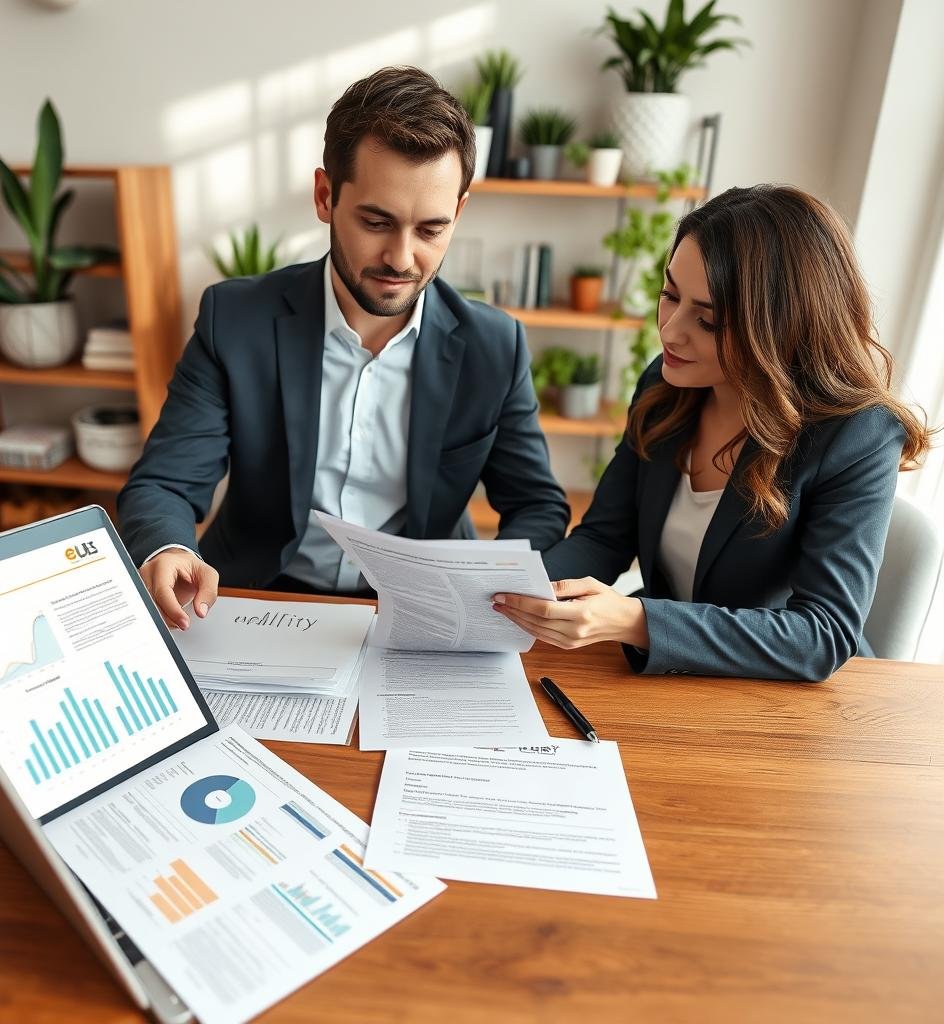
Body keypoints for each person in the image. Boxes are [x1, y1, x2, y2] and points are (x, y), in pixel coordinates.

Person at [118, 66, 569, 629]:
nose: (402, 259)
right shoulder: (234, 320)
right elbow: (167, 479)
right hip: (262, 598)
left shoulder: (493, 345)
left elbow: (536, 504)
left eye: (431, 229)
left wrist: (499, 590)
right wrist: (167, 550)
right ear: (325, 196)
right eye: (377, 221)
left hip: (422, 610)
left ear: (459, 212)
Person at [492, 184, 931, 681]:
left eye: (708, 319)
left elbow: (821, 634)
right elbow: (604, 536)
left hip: (786, 703)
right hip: (671, 676)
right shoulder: (666, 384)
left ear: (780, 328)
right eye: (669, 295)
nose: (671, 330)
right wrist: (512, 588)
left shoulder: (857, 435)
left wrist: (637, 621)